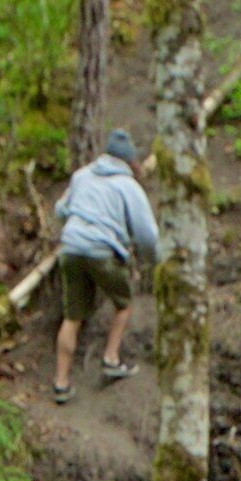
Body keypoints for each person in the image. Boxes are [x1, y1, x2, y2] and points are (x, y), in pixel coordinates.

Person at [50, 129, 161, 403]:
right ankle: (111, 358)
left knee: (72, 316)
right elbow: (147, 235)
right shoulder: (128, 186)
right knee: (123, 303)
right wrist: (156, 262)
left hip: (72, 248)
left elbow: (60, 209)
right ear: (129, 160)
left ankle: (61, 383)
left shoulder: (82, 175)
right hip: (102, 251)